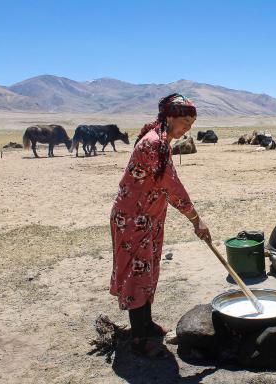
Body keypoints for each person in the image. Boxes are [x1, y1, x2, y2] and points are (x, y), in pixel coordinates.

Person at [109, 93, 211, 355]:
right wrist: (196, 221)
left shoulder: (162, 141)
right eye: (185, 121)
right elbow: (172, 188)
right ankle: (139, 340)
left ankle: (146, 323)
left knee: (149, 270)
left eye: (192, 122)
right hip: (133, 220)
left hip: (148, 218)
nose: (189, 127)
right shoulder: (154, 143)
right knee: (137, 274)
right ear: (169, 117)